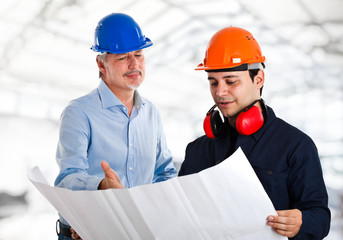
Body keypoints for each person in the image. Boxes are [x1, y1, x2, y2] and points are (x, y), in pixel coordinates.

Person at [178, 26, 330, 239]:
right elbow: (178, 212)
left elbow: (320, 217)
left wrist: (301, 222)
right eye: (213, 82)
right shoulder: (197, 150)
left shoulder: (296, 146)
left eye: (231, 81)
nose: (220, 92)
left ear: (258, 79)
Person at [54, 13, 177, 240]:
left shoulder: (151, 113)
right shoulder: (78, 113)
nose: (134, 64)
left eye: (139, 55)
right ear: (101, 63)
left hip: (135, 231)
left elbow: (164, 173)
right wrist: (101, 186)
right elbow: (67, 180)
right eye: (122, 58)